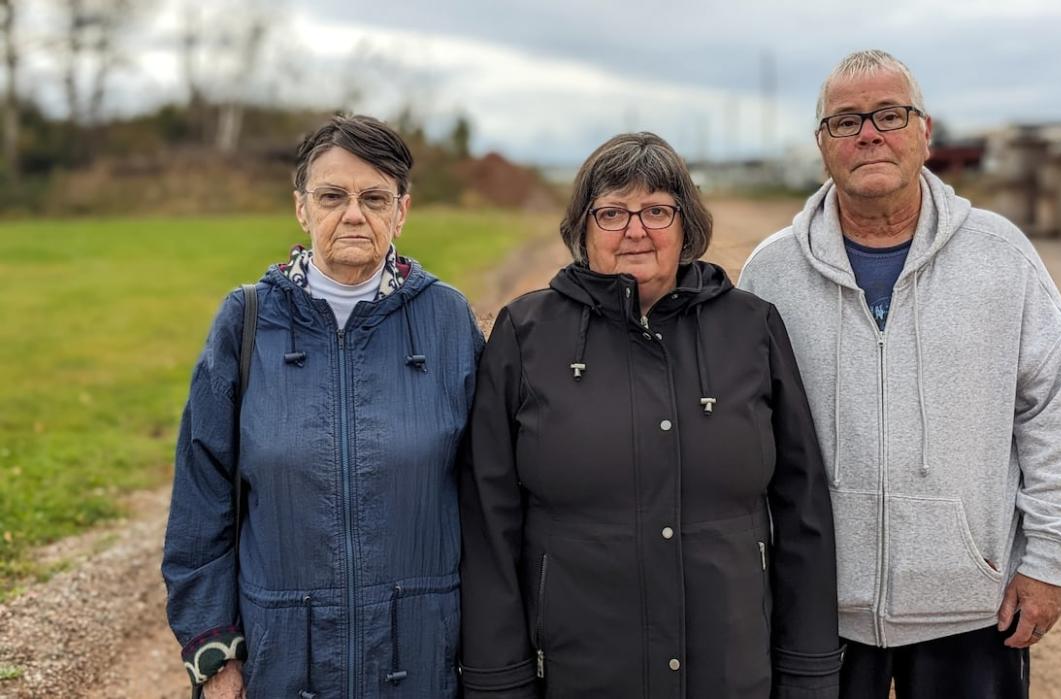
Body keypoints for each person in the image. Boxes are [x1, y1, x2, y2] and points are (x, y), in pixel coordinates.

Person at [738, 50, 1061, 698]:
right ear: (823, 145)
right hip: (820, 608)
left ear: (924, 133)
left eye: (889, 114)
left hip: (969, 604)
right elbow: (740, 436)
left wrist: (1046, 562)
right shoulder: (772, 272)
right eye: (845, 121)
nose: (868, 132)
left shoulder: (1001, 256)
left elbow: (1053, 415)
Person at [458, 132, 844, 699]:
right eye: (612, 212)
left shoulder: (751, 328)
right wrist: (498, 680)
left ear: (686, 224)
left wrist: (810, 671)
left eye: (657, 210)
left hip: (731, 671)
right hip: (578, 673)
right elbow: (488, 520)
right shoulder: (525, 334)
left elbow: (802, 505)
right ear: (582, 228)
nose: (635, 229)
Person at [162, 115, 482, 698]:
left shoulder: (447, 320)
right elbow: (201, 498)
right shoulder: (246, 320)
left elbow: (488, 499)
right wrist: (215, 652)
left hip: (422, 661)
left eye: (374, 197)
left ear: (401, 211)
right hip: (281, 660)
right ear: (302, 208)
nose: (354, 214)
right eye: (332, 196)